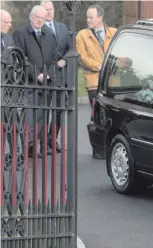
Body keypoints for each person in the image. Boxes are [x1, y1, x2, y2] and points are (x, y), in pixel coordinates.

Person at [13, 5, 57, 157]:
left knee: (43, 116)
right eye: (38, 17)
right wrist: (35, 74)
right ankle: (28, 147)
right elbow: (20, 57)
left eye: (43, 18)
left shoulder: (49, 34)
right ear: (31, 17)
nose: (40, 20)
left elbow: (54, 58)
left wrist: (48, 74)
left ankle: (39, 145)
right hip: (29, 83)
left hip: (46, 83)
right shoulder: (21, 33)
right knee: (30, 117)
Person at [40, 0, 71, 153]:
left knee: (58, 110)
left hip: (61, 76)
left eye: (51, 9)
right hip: (46, 75)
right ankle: (43, 142)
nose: (49, 12)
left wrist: (64, 60)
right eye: (46, 9)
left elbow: (70, 48)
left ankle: (53, 140)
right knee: (45, 110)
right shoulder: (38, 28)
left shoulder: (63, 27)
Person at [76, 4, 117, 107]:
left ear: (100, 18)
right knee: (97, 114)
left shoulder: (114, 33)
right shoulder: (82, 35)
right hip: (94, 83)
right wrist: (101, 67)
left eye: (91, 18)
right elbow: (82, 58)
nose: (88, 20)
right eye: (87, 17)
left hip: (112, 82)